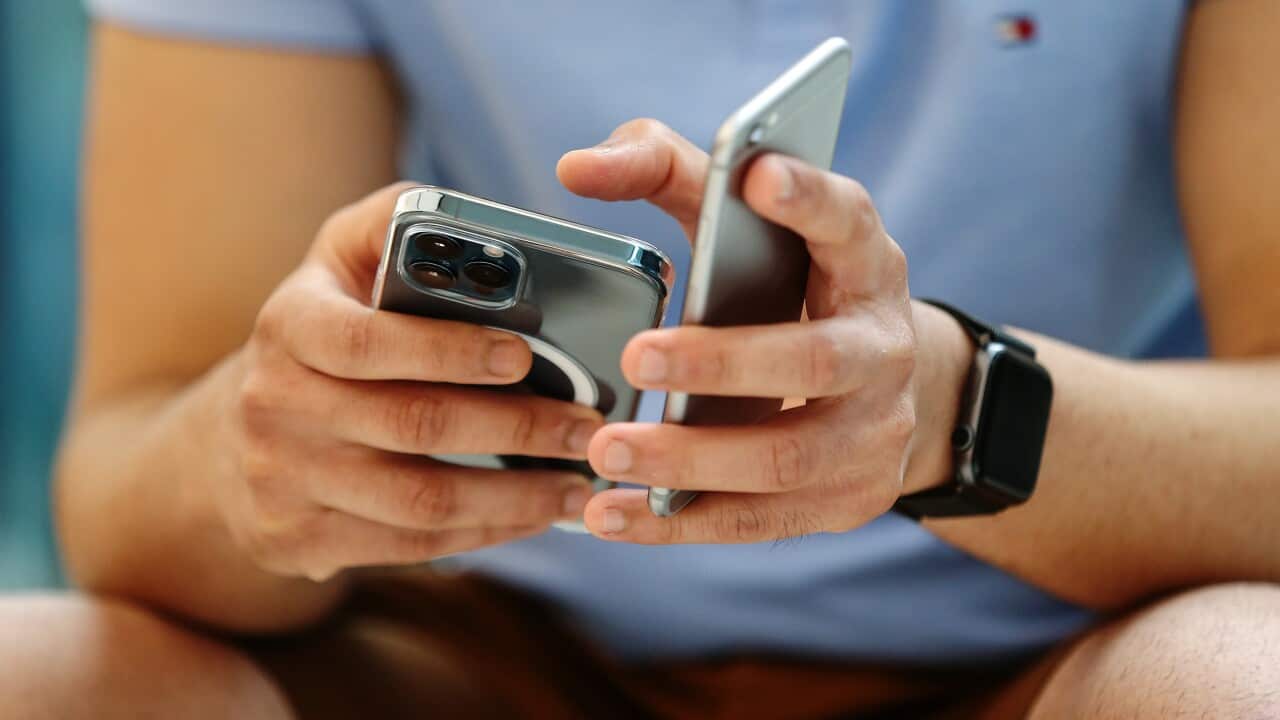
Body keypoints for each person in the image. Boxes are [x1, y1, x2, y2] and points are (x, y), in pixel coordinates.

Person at [3, 1, 1278, 717]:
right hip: (496, 658)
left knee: (1231, 691)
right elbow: (122, 490)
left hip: (1060, 655)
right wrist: (260, 459)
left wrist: (945, 411)